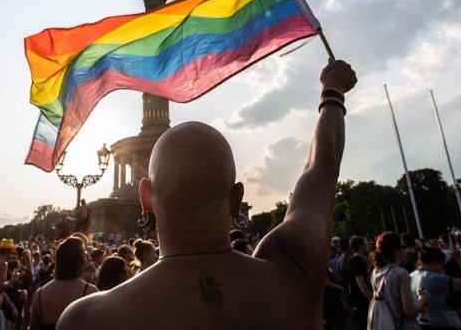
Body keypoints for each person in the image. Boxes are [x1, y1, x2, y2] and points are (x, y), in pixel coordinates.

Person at [56, 60, 357, 330]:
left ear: (145, 197)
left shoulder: (89, 318)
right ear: (236, 198)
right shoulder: (293, 272)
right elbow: (322, 168)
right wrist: (332, 93)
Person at [29, 237, 97, 330]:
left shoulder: (40, 293)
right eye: (85, 255)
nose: (87, 259)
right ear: (79, 261)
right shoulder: (90, 292)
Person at [369, 233, 428, 329]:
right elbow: (410, 311)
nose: (404, 250)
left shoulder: (376, 272)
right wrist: (423, 299)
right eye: (402, 247)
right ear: (396, 251)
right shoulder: (400, 274)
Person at [410, 246, 461, 329]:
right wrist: (458, 259)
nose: (441, 268)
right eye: (441, 264)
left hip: (421, 322)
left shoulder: (412, 275)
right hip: (440, 322)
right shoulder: (434, 278)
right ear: (435, 263)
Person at [348, 235, 371, 329]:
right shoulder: (356, 260)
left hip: (361, 300)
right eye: (365, 244)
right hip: (361, 301)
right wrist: (371, 298)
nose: (368, 246)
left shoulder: (359, 260)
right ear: (359, 246)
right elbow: (360, 282)